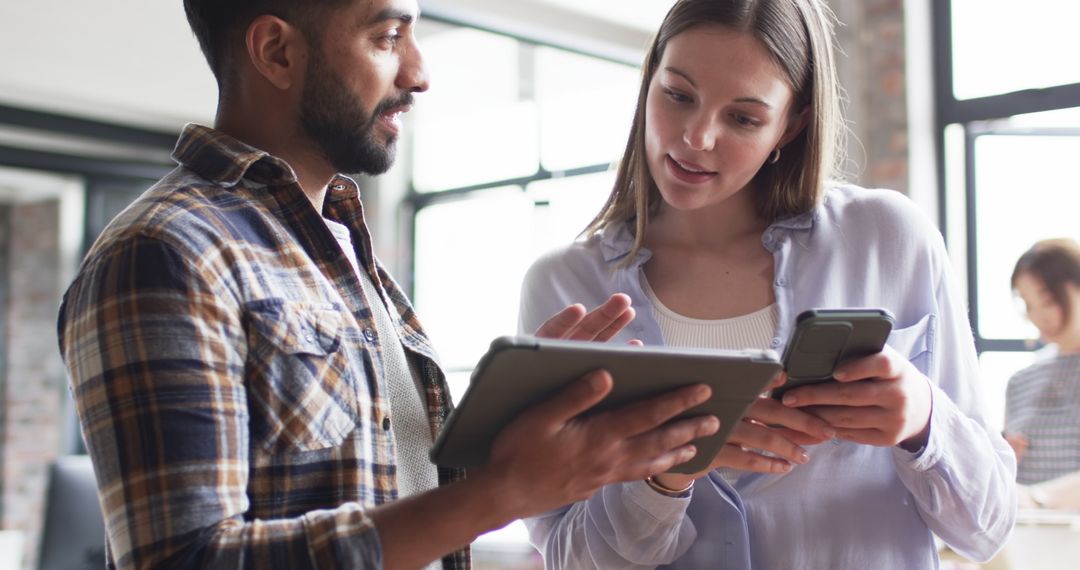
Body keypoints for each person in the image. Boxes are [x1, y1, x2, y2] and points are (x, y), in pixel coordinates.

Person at [55, 1, 726, 568]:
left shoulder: (338, 242)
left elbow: (391, 488)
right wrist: (500, 492)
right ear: (276, 53)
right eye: (387, 36)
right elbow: (186, 560)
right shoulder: (166, 252)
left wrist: (508, 434)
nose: (419, 72)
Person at [517, 0, 1018, 567]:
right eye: (678, 95)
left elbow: (988, 527)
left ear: (793, 124)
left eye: (743, 118)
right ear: (649, 78)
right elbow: (567, 557)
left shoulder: (888, 238)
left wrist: (925, 421)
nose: (697, 137)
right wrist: (666, 475)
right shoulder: (563, 287)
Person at [1006, 238, 1080, 510]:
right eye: (1028, 304)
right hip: (1030, 541)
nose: (1038, 316)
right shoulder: (1021, 382)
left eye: (1047, 300)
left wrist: (1037, 498)